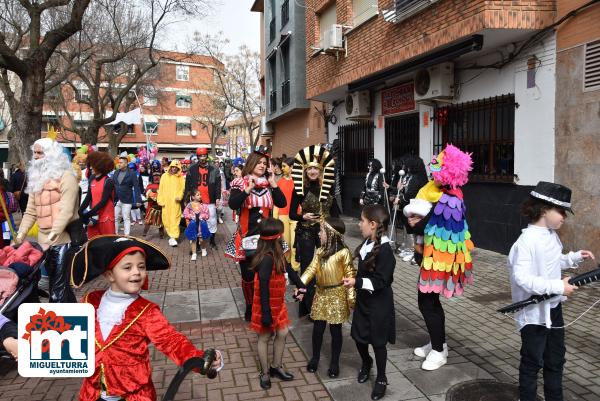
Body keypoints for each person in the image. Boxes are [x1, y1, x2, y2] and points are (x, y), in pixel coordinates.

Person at [71, 235, 224, 401]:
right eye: (127, 267)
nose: (136, 272)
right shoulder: (89, 301)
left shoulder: (146, 311)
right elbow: (70, 337)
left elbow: (172, 341)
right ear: (109, 275)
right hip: (92, 394)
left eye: (141, 266)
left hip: (134, 395)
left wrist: (200, 359)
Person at [507, 181, 594, 401]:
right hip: (534, 316)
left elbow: (553, 263)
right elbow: (522, 278)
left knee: (556, 360)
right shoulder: (525, 241)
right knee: (532, 362)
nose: (564, 216)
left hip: (553, 309)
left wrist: (573, 257)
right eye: (561, 211)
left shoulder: (551, 236)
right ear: (544, 209)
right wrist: (558, 286)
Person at [406, 144, 474, 371]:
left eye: (438, 166)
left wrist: (416, 223)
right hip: (429, 257)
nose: (433, 169)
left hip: (441, 262)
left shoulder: (451, 199)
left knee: (427, 302)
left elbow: (427, 225)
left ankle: (438, 351)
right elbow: (418, 225)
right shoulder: (435, 191)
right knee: (429, 302)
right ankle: (438, 344)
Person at [15, 138, 79, 303]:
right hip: (44, 240)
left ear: (51, 155)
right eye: (34, 153)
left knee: (58, 288)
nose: (35, 157)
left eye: (39, 153)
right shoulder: (36, 179)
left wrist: (51, 239)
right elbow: (30, 211)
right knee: (58, 284)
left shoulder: (67, 177)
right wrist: (20, 235)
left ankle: (58, 324)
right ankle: (75, 318)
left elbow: (66, 211)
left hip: (63, 240)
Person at [226, 147, 286, 321]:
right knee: (248, 276)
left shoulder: (269, 183)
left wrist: (274, 184)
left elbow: (282, 203)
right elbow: (232, 204)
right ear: (251, 163)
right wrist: (247, 190)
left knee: (265, 275)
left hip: (266, 238)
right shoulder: (240, 182)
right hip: (247, 237)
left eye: (264, 163)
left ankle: (263, 306)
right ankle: (250, 305)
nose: (262, 165)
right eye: (259, 162)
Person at [343, 204, 395, 400]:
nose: (358, 224)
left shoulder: (386, 251)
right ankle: (367, 362)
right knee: (358, 336)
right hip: (364, 300)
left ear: (372, 224)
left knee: (378, 342)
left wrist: (356, 281)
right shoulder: (366, 244)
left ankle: (381, 378)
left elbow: (382, 281)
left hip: (379, 304)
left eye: (362, 221)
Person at [249, 218, 304, 390]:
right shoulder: (266, 259)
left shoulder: (277, 253)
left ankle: (276, 367)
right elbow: (263, 287)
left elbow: (288, 268)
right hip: (265, 305)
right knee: (265, 337)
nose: (283, 237)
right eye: (281, 234)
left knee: (282, 332)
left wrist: (301, 285)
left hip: (278, 304)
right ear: (275, 238)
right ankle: (265, 373)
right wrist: (266, 313)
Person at [300, 217, 356, 378]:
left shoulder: (343, 252)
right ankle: (315, 358)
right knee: (317, 328)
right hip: (321, 294)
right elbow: (311, 269)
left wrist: (351, 298)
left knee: (336, 330)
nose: (319, 233)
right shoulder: (319, 251)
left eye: (322, 231)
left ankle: (334, 362)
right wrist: (300, 284)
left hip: (337, 295)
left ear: (331, 233)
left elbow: (350, 274)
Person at [289, 144, 339, 318]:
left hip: (325, 234)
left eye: (315, 168)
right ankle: (309, 308)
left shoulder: (328, 188)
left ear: (320, 170)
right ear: (304, 170)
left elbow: (336, 212)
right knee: (308, 269)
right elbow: (291, 214)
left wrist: (334, 228)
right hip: (306, 233)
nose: (312, 171)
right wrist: (304, 217)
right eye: (309, 168)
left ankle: (325, 303)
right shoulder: (299, 189)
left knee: (326, 269)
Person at [184, 148, 221, 249]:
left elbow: (218, 184)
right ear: (197, 156)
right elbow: (187, 185)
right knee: (196, 222)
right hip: (196, 201)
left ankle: (212, 240)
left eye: (204, 156)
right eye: (200, 156)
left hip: (210, 199)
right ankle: (197, 243)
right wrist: (186, 199)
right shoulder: (192, 169)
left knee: (212, 220)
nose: (202, 158)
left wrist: (218, 197)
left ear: (207, 156)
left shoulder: (214, 169)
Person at [79, 151, 116, 239]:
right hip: (94, 216)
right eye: (90, 165)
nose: (90, 168)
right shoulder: (92, 178)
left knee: (108, 242)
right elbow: (88, 197)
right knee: (93, 241)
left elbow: (103, 202)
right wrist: (80, 210)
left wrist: (88, 214)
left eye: (93, 165)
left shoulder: (108, 181)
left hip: (106, 217)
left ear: (100, 166)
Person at [274, 157, 300, 272]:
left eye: (284, 166)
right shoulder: (279, 182)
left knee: (295, 244)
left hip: (296, 215)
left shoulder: (299, 182)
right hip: (282, 215)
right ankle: (287, 266)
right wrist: (275, 218)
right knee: (286, 244)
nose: (282, 168)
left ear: (292, 167)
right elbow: (276, 202)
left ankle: (294, 269)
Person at [158, 160, 185, 247]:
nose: (174, 169)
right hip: (166, 202)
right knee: (166, 219)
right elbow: (161, 189)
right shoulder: (164, 176)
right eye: (173, 167)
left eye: (176, 168)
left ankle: (173, 237)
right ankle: (171, 235)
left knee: (175, 218)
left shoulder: (180, 177)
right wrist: (160, 200)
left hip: (175, 202)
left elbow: (182, 188)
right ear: (170, 167)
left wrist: (180, 196)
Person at [113, 156, 142, 236]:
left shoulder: (132, 173)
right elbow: (113, 185)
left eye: (121, 162)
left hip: (127, 198)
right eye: (119, 162)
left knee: (126, 218)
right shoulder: (116, 172)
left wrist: (138, 200)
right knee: (115, 218)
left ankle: (127, 235)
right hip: (116, 199)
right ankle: (115, 234)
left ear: (126, 164)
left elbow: (136, 187)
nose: (119, 164)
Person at [183, 190, 210, 260]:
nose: (200, 196)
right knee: (193, 239)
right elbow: (185, 214)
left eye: (200, 194)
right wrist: (190, 216)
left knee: (201, 239)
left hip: (201, 226)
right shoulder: (189, 205)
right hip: (193, 226)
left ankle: (203, 249)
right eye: (198, 195)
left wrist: (203, 216)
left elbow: (207, 214)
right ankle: (194, 253)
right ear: (193, 197)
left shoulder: (203, 205)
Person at [143, 172, 164, 239]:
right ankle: (144, 233)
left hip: (160, 207)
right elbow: (146, 194)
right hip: (151, 207)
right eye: (155, 176)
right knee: (148, 221)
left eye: (158, 176)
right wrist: (151, 194)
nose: (156, 177)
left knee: (160, 222)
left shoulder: (163, 185)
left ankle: (161, 235)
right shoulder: (149, 186)